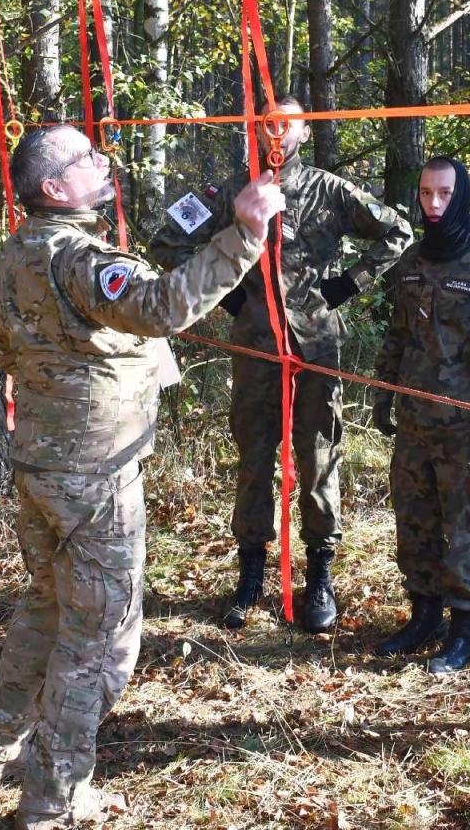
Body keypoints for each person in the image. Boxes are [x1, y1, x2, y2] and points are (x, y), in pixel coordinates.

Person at [0, 125, 284, 830]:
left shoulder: (19, 250)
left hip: (42, 462)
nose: (101, 162)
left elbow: (6, 349)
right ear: (53, 189)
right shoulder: (78, 258)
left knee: (47, 609)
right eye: (84, 159)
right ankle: (54, 793)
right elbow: (163, 307)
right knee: (101, 639)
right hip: (93, 473)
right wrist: (246, 232)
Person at [150, 97, 412, 633]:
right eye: (266, 124)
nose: (275, 135)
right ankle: (250, 575)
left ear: (301, 133)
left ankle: (319, 575)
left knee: (318, 460)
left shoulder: (328, 189)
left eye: (286, 126)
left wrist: (345, 285)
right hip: (255, 350)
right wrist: (228, 300)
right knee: (253, 459)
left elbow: (398, 233)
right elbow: (167, 241)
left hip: (314, 349)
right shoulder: (229, 193)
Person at [370, 156, 470, 672]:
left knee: (467, 526)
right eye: (426, 194)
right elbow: (397, 333)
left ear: (460, 197)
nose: (433, 205)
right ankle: (424, 615)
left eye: (443, 194)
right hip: (415, 422)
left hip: (466, 426)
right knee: (414, 523)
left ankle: (465, 629)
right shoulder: (413, 261)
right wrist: (383, 392)